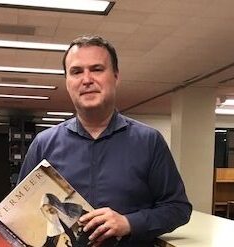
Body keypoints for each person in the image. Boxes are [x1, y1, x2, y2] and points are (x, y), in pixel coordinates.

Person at [18, 35, 192, 247]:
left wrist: (129, 222)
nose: (87, 79)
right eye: (76, 71)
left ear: (116, 76)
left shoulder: (149, 142)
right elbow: (22, 211)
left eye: (97, 69)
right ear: (67, 82)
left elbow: (177, 208)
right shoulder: (44, 144)